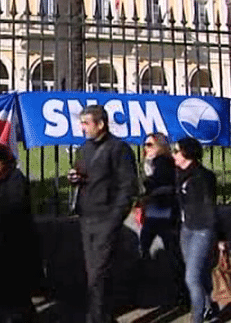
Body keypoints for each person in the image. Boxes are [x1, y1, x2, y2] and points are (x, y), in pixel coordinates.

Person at [67, 105, 138, 323]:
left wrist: (114, 218)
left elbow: (128, 187)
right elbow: (82, 171)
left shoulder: (119, 149)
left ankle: (96, 317)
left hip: (106, 218)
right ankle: (103, 315)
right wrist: (76, 177)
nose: (82, 128)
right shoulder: (85, 148)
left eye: (86, 123)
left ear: (101, 124)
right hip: (86, 217)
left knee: (98, 272)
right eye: (81, 123)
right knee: (94, 273)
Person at [0, 143, 40, 323]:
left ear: (3, 161)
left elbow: (15, 210)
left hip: (10, 243)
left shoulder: (14, 179)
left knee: (15, 289)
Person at [172, 137, 219, 323]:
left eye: (177, 151)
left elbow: (210, 206)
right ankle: (209, 308)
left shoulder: (203, 176)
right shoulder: (178, 173)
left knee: (191, 277)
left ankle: (197, 318)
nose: (174, 155)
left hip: (202, 229)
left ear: (187, 153)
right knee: (200, 273)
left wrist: (219, 236)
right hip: (186, 228)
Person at [138, 133, 187, 304]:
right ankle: (181, 291)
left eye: (150, 144)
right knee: (169, 249)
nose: (146, 148)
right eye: (145, 145)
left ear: (160, 146)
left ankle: (182, 291)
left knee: (161, 248)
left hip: (162, 209)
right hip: (158, 209)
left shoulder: (162, 161)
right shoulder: (153, 163)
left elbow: (161, 183)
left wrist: (147, 183)